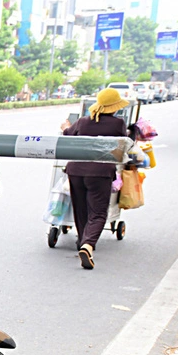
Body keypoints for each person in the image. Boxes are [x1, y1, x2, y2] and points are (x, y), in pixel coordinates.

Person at [61, 87, 133, 270]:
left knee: (81, 209)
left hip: (76, 170)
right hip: (100, 173)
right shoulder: (118, 124)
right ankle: (88, 244)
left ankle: (82, 241)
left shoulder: (83, 122)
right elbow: (123, 144)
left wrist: (65, 127)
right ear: (114, 107)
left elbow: (67, 135)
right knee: (99, 212)